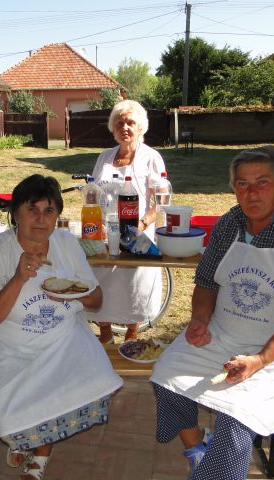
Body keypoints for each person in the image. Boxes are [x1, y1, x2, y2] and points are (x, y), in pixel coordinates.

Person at [150, 146, 274, 479]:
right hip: (224, 331)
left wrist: (259, 360)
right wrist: (200, 320)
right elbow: (206, 283)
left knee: (235, 418)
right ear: (234, 188)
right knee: (166, 376)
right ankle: (197, 448)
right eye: (243, 184)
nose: (252, 193)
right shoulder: (229, 224)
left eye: (262, 182)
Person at [0, 174, 123, 480]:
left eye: (49, 211)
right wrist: (18, 278)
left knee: (90, 381)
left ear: (57, 216)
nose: (41, 219)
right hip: (7, 344)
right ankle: (23, 436)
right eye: (32, 209)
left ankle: (41, 450)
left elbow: (96, 300)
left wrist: (74, 292)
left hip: (60, 339)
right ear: (15, 214)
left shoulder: (66, 244)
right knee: (5, 405)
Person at [89, 99, 167, 343]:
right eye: (119, 123)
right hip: (105, 230)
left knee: (133, 284)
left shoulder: (151, 157)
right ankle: (105, 333)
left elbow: (161, 201)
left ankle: (132, 334)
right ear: (113, 128)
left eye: (131, 123)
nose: (125, 127)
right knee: (100, 277)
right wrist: (97, 221)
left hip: (137, 231)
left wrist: (141, 225)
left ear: (140, 127)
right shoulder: (104, 157)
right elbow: (94, 192)